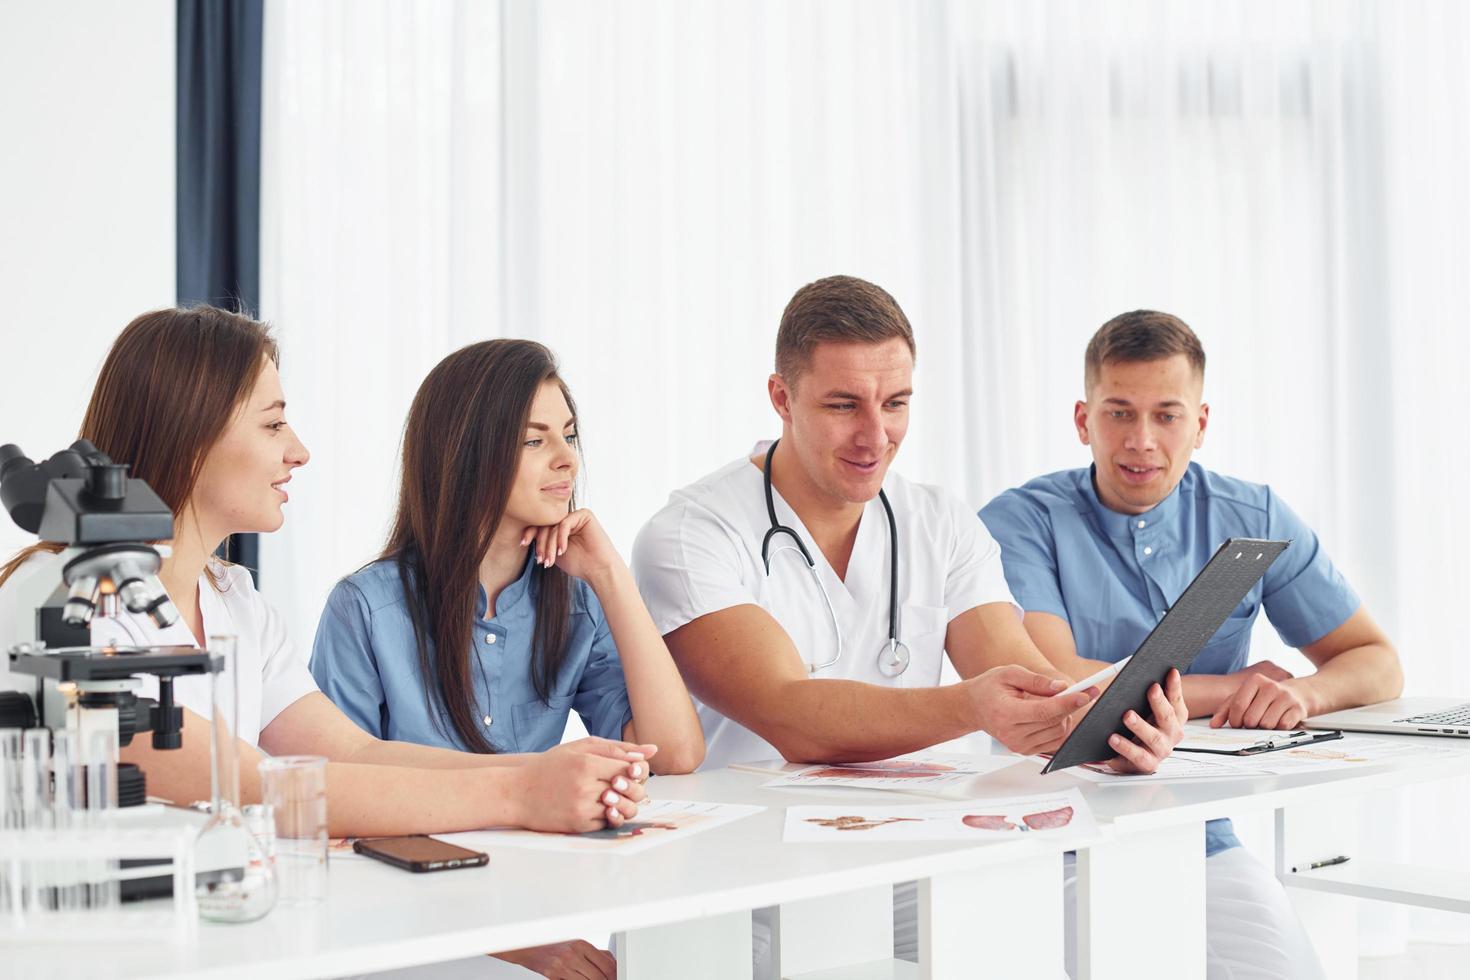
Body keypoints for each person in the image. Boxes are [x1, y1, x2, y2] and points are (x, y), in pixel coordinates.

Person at [630, 276, 1188, 969]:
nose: (875, 436)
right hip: (748, 879)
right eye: (843, 405)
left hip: (912, 850)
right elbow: (790, 716)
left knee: (1113, 928)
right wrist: (974, 708)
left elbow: (1014, 667)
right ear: (781, 397)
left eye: (895, 404)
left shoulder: (938, 522)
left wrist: (1107, 719)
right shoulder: (693, 534)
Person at [0, 307, 653, 837]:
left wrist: (553, 770)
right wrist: (520, 792)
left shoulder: (234, 602)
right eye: (274, 423)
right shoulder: (67, 600)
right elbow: (258, 787)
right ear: (191, 437)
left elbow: (353, 753)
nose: (299, 450)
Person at [980, 308, 1404, 979]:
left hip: (1198, 831)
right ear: (1083, 421)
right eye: (1118, 412)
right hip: (1048, 827)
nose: (1141, 440)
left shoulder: (1252, 516)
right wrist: (1235, 690)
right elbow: (1057, 679)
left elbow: (1376, 662)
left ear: (1200, 424)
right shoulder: (1020, 521)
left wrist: (1297, 693)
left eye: (1166, 415)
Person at [310, 339, 704, 774]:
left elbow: (674, 755)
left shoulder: (577, 602)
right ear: (464, 456)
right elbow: (335, 782)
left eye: (569, 436)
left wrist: (610, 574)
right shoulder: (365, 609)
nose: (567, 459)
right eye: (534, 441)